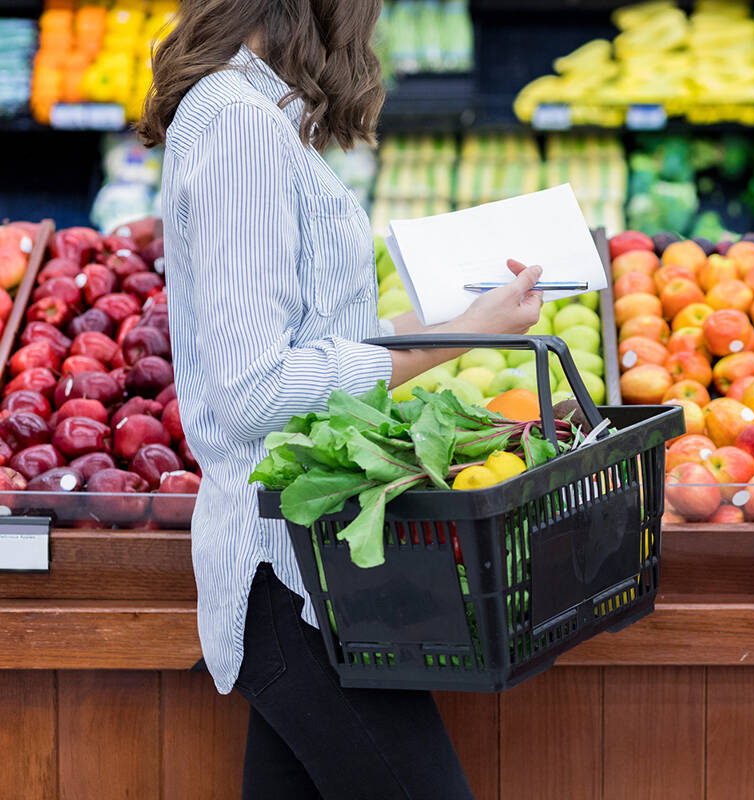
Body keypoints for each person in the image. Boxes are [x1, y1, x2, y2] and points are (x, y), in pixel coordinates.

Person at [138, 1, 542, 797]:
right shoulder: (238, 126)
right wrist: (452, 342)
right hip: (288, 575)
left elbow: (323, 335)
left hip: (317, 569)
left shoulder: (253, 114)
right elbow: (256, 388)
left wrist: (463, 319)